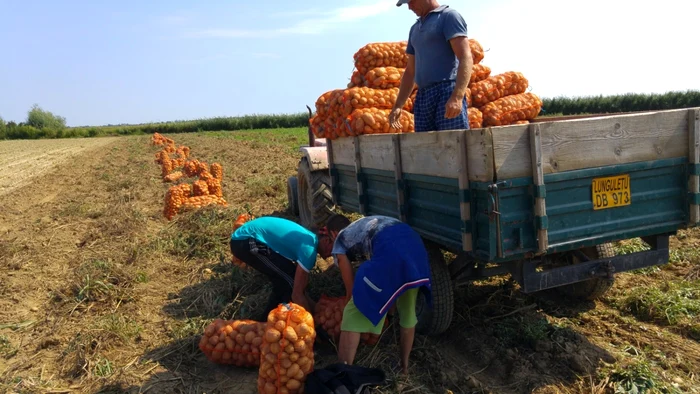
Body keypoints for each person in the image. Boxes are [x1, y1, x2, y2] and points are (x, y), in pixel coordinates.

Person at [325, 214, 433, 375]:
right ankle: (404, 368)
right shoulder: (364, 224)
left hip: (392, 252)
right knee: (408, 313)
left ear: (333, 233)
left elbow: (350, 286)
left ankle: (343, 374)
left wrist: (349, 301)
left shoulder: (341, 238)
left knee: (352, 313)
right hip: (416, 251)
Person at [229, 214, 350, 319]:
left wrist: (316, 307)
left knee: (287, 279)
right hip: (246, 241)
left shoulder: (309, 240)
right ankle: (265, 323)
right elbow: (297, 294)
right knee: (287, 283)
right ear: (327, 241)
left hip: (249, 237)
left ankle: (268, 320)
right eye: (334, 251)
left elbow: (299, 287)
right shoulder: (309, 250)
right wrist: (314, 323)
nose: (331, 255)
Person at [389, 0, 473, 133]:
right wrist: (398, 105)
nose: (410, 7)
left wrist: (457, 96)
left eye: (411, 2)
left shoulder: (448, 16)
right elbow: (411, 71)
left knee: (452, 144)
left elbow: (466, 57)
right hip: (423, 96)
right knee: (425, 148)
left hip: (446, 92)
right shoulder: (415, 29)